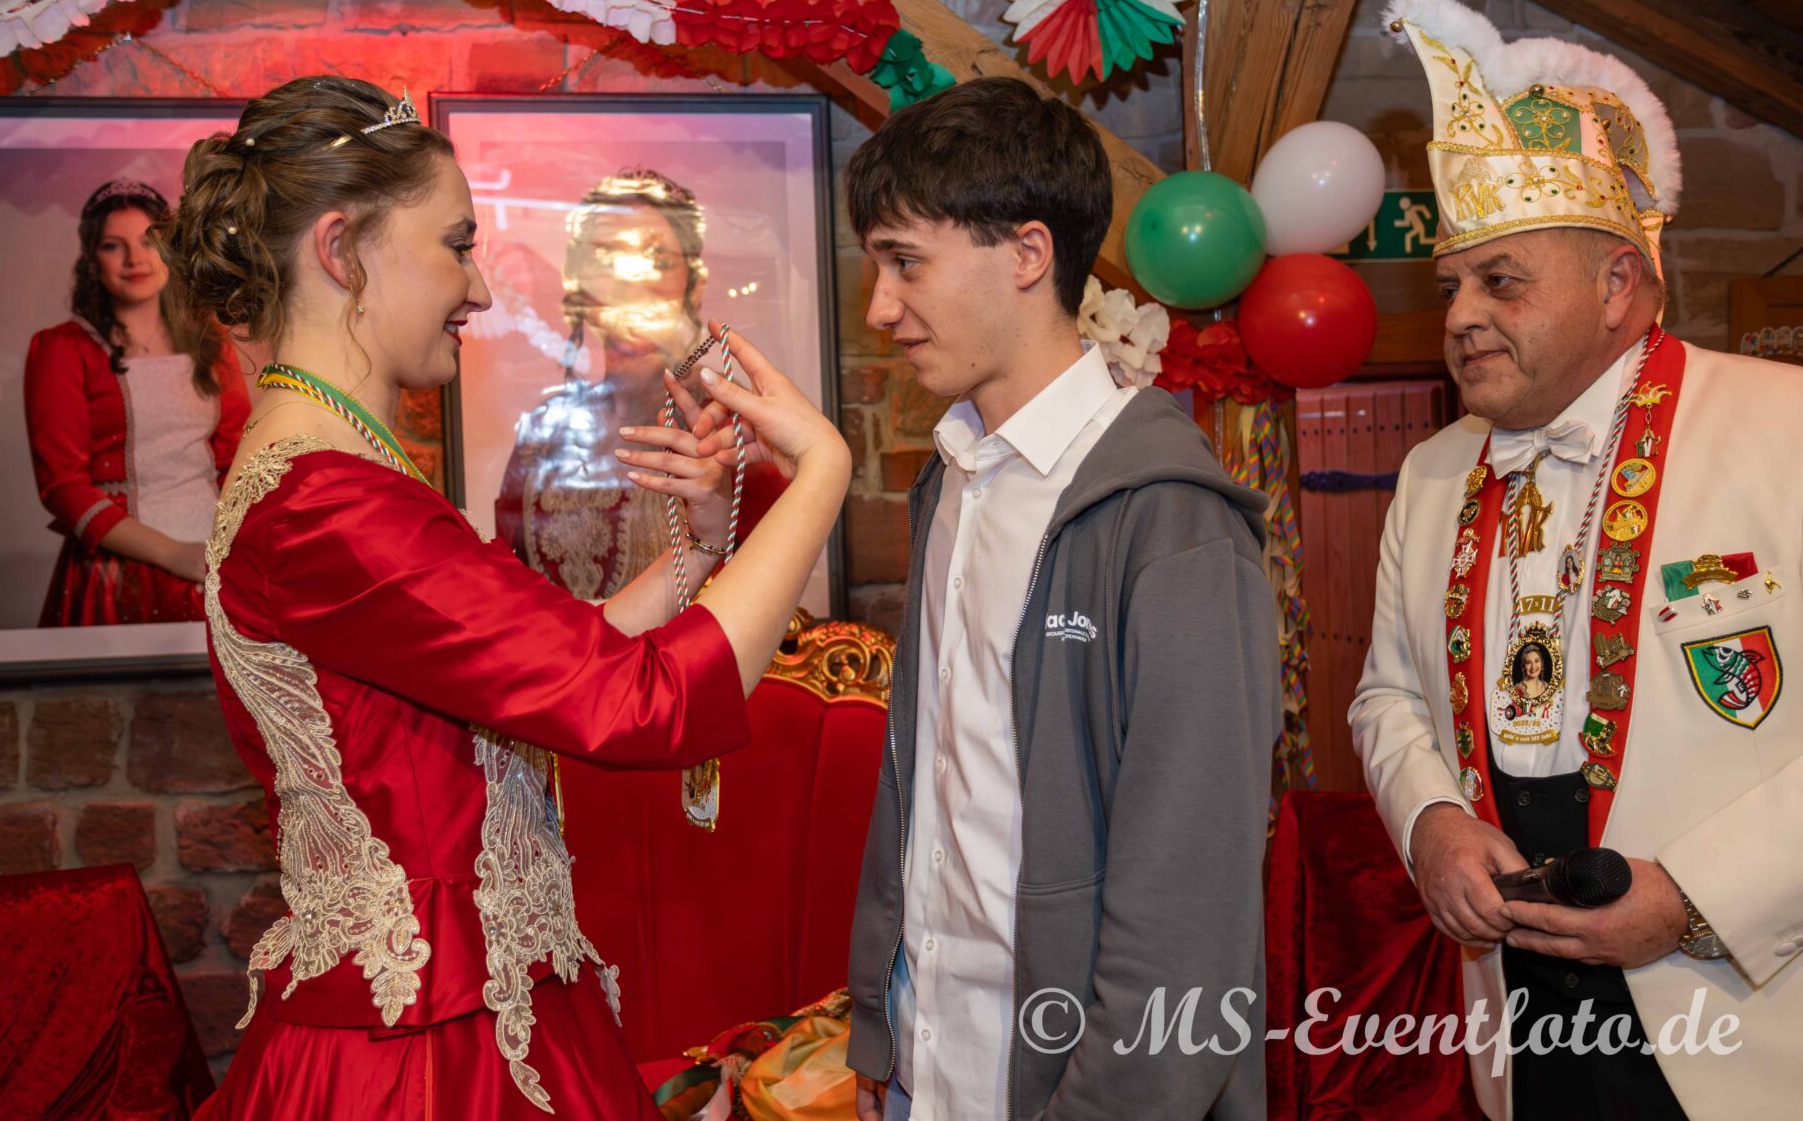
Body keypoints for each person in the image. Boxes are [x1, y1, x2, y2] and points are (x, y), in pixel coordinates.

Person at [159, 76, 849, 1118]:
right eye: (456, 244)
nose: (479, 288)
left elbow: (559, 661)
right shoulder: (326, 503)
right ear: (342, 251)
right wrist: (824, 469)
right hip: (428, 1054)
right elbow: (644, 703)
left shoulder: (335, 473)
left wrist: (701, 546)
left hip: (476, 1005)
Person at [1350, 0, 1803, 1120]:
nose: (1460, 314)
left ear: (1617, 284)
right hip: (1522, 1013)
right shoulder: (1431, 472)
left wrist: (1696, 899)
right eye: (1450, 285)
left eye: (1501, 281)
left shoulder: (1787, 427)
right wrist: (1430, 820)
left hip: (1747, 1020)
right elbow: (1387, 695)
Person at [841, 76, 1279, 1120]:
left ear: (1028, 254)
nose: (880, 307)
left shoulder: (1170, 519)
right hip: (929, 1065)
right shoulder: (953, 477)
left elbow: (1189, 901)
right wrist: (882, 1024)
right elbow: (927, 789)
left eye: (906, 262)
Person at [495, 167, 781, 599]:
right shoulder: (544, 432)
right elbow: (509, 583)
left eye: (658, 259)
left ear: (694, 284)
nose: (632, 281)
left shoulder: (732, 424)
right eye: (606, 259)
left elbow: (770, 584)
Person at [22, 179, 249, 625]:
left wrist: (235, 550)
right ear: (92, 259)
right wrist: (173, 554)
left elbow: (236, 463)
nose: (134, 259)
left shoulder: (210, 342)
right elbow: (62, 488)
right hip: (117, 570)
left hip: (212, 563)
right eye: (113, 245)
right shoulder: (62, 349)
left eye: (148, 241)